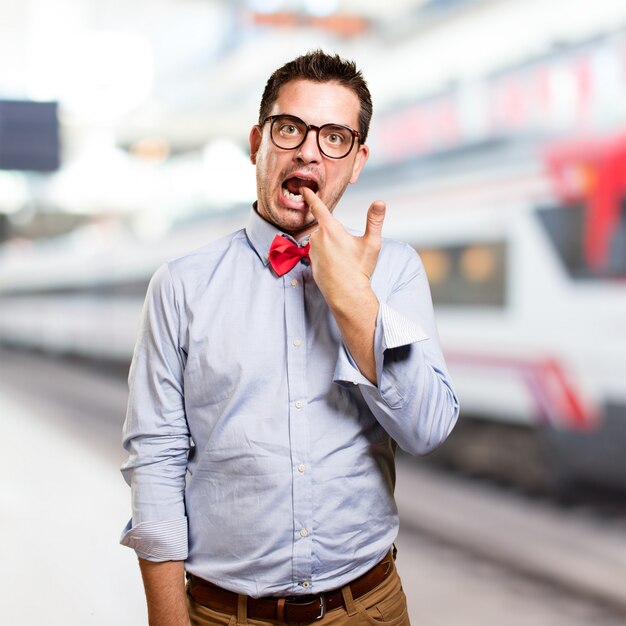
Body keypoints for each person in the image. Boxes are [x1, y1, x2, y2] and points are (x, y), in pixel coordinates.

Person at [121, 50, 460, 626]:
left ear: (357, 162)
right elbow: (155, 460)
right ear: (258, 143)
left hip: (368, 607)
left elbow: (426, 429)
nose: (308, 150)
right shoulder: (181, 285)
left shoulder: (395, 271)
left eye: (334, 137)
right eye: (290, 129)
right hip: (221, 613)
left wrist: (353, 297)